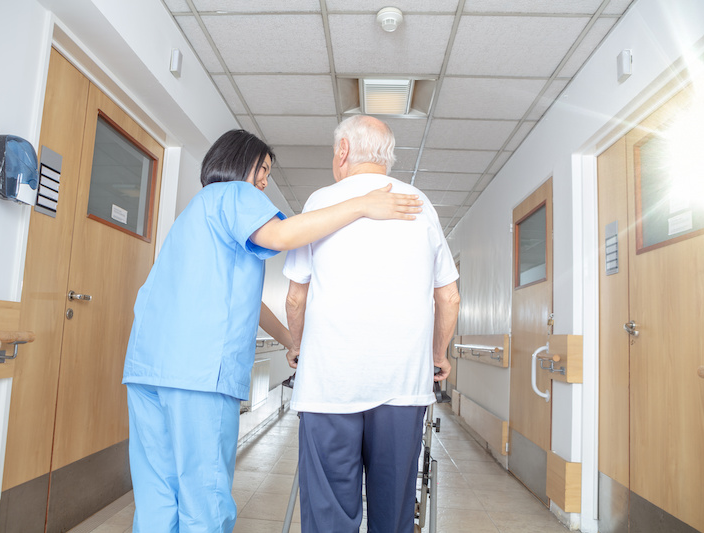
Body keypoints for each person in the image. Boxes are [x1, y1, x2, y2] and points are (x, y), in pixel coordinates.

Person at [121, 128, 423, 533]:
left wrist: (291, 342)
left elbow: (246, 302)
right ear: (238, 162)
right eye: (262, 169)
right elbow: (282, 236)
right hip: (198, 374)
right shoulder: (235, 195)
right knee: (203, 499)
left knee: (157, 498)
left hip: (147, 369)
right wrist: (363, 205)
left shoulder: (195, 212)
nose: (265, 181)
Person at [283, 115, 461, 533]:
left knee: (329, 515)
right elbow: (448, 296)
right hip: (402, 386)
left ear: (342, 151)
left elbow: (296, 296)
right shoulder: (420, 204)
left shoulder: (320, 201)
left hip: (330, 385)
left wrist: (296, 345)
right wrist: (438, 355)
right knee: (394, 513)